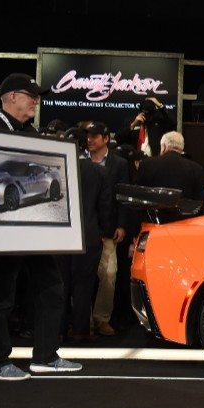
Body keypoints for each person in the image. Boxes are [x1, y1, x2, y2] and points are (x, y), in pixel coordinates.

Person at [0, 73, 82, 380]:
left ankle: (45, 356)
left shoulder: (33, 133)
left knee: (52, 287)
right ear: (11, 97)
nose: (36, 101)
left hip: (35, 228)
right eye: (31, 96)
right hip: (2, 231)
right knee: (2, 294)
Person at [81, 121, 130, 338]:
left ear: (106, 138)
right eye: (88, 136)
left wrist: (121, 224)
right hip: (84, 229)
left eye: (95, 136)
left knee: (109, 274)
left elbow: (122, 196)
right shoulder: (78, 160)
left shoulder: (119, 164)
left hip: (109, 229)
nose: (90, 139)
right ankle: (82, 320)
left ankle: (102, 319)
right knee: (82, 276)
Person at [63, 141, 112, 343]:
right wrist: (104, 231)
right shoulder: (97, 171)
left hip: (61, 236)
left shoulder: (59, 167)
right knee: (84, 285)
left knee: (61, 284)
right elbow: (105, 205)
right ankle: (81, 331)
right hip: (90, 235)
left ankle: (59, 329)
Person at [135, 130, 204, 197]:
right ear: (182, 148)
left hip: (152, 212)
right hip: (185, 212)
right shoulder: (196, 169)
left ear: (163, 147)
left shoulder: (147, 164)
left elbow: (139, 196)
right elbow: (199, 202)